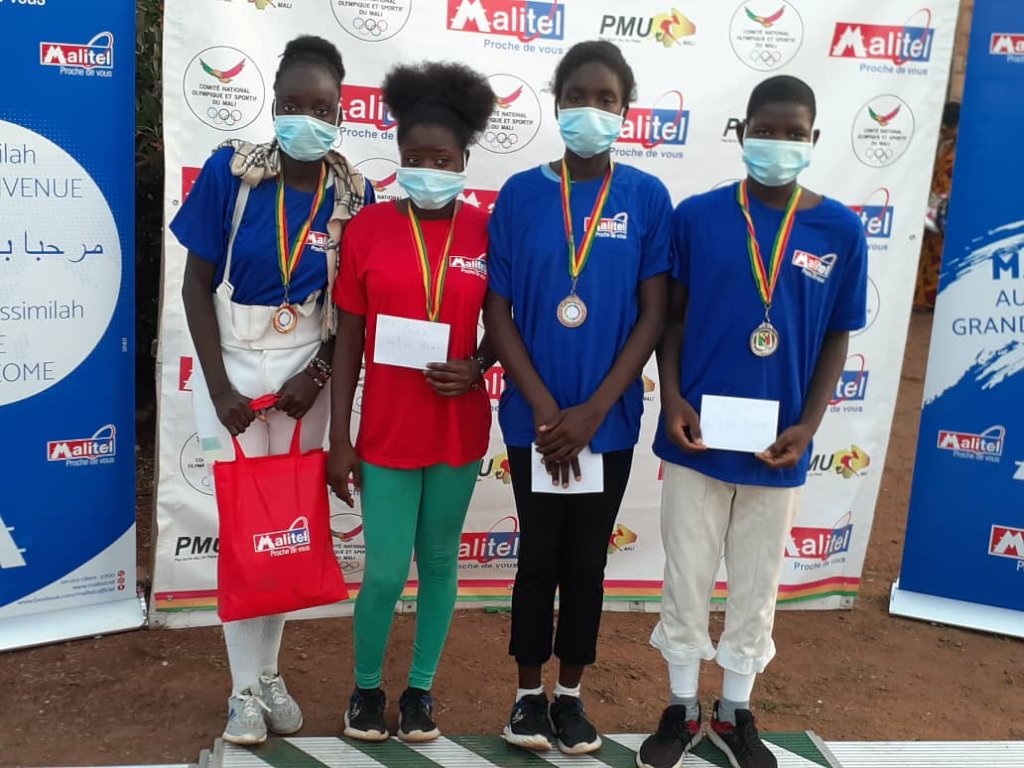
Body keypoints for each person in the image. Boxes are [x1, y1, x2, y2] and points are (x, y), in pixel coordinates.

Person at [638, 75, 867, 768]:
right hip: (698, 436)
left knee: (757, 583)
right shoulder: (698, 216)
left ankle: (735, 710)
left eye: (794, 133)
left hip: (777, 444)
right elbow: (671, 319)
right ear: (742, 133)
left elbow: (837, 336)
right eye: (766, 130)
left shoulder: (840, 229)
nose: (779, 143)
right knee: (685, 576)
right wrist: (673, 396)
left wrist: (810, 424)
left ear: (814, 139)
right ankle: (681, 706)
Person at [172, 35, 373, 745]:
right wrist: (220, 387)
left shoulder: (353, 194)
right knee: (242, 527)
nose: (305, 118)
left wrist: (317, 376)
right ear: (275, 104)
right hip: (230, 370)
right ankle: (241, 691)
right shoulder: (231, 174)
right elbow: (195, 286)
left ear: (339, 112)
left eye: (321, 107)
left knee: (284, 522)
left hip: (303, 376)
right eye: (293, 104)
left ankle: (268, 672)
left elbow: (353, 307)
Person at [484, 40, 671, 755]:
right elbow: (498, 311)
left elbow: (654, 314)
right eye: (577, 97)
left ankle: (569, 696)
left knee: (587, 561)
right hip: (532, 420)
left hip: (608, 421)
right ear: (556, 102)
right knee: (537, 556)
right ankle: (526, 696)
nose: (590, 110)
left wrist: (593, 412)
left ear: (626, 110)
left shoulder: (646, 197)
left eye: (606, 99)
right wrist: (541, 408)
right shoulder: (520, 194)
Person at [326, 61, 496, 743]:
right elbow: (347, 339)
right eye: (416, 158)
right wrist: (340, 438)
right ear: (399, 157)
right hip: (388, 430)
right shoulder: (368, 228)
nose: (429, 169)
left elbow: (506, 323)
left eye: (442, 159)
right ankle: (367, 689)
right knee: (386, 572)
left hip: (457, 426)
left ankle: (420, 690)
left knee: (442, 562)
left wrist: (478, 364)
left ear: (464, 161)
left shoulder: (486, 230)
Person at [915, 101, 960, 310]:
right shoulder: (948, 146)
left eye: (945, 128)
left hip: (947, 211)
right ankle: (928, 298)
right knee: (931, 254)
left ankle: (935, 300)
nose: (943, 132)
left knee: (939, 255)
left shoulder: (961, 150)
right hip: (936, 211)